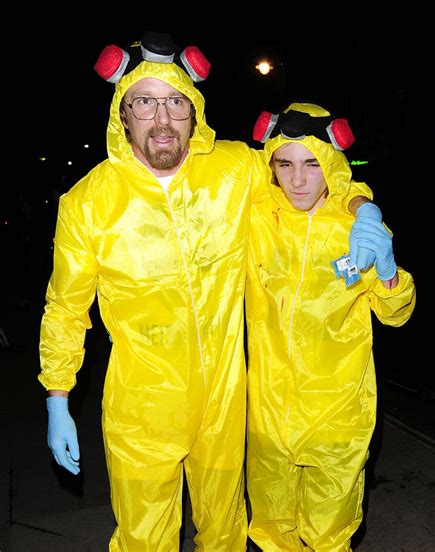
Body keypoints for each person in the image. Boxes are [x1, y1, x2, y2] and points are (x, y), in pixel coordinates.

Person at [38, 33, 376, 550]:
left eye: (175, 101)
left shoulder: (235, 170)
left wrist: (362, 207)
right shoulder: (88, 203)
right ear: (122, 114)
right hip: (141, 409)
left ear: (193, 111)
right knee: (143, 538)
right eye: (144, 102)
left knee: (225, 533)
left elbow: (312, 173)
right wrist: (57, 396)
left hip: (224, 403)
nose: (162, 118)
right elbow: (65, 309)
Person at [245, 102, 416, 551]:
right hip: (266, 413)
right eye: (285, 164)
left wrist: (386, 267)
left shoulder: (355, 227)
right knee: (270, 530)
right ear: (272, 166)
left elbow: (397, 314)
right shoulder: (256, 216)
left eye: (312, 165)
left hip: (337, 414)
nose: (298, 180)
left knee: (328, 536)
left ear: (332, 167)